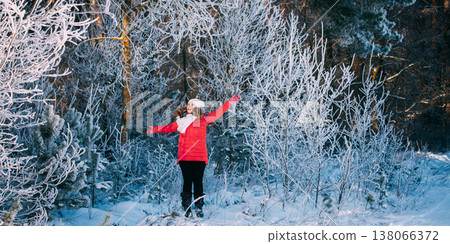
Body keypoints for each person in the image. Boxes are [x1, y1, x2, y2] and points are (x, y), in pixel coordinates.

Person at [147, 95, 241, 217]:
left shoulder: (204, 120)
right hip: (185, 158)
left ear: (198, 108)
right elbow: (168, 128)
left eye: (192, 104)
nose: (188, 106)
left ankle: (198, 208)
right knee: (187, 182)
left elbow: (219, 112)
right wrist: (154, 129)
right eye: (188, 104)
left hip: (200, 158)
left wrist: (231, 101)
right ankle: (187, 209)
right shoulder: (181, 121)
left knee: (198, 182)